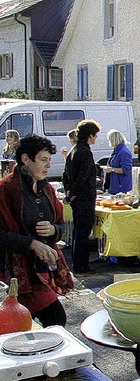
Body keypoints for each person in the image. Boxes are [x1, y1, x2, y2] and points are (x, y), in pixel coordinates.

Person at [0, 134, 74, 327]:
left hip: (38, 272)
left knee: (56, 319)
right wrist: (31, 244)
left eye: (49, 160)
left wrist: (53, 230)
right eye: (43, 160)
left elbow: (60, 223)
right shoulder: (5, 189)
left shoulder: (46, 189)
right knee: (18, 328)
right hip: (12, 273)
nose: (48, 165)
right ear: (25, 159)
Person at [66, 119, 100, 274]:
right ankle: (81, 266)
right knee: (82, 233)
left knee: (77, 232)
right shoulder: (85, 152)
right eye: (95, 135)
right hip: (84, 198)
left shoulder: (73, 150)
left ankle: (77, 263)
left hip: (77, 198)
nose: (96, 138)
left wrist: (69, 193)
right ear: (90, 135)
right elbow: (83, 177)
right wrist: (73, 193)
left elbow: (65, 176)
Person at [104, 129, 133, 194]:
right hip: (115, 185)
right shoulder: (117, 150)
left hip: (120, 187)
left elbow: (126, 169)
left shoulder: (123, 152)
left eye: (109, 139)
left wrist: (112, 170)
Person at [61, 128, 77, 195]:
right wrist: (66, 156)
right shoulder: (74, 150)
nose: (69, 141)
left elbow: (70, 166)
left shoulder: (76, 151)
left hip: (72, 182)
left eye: (69, 139)